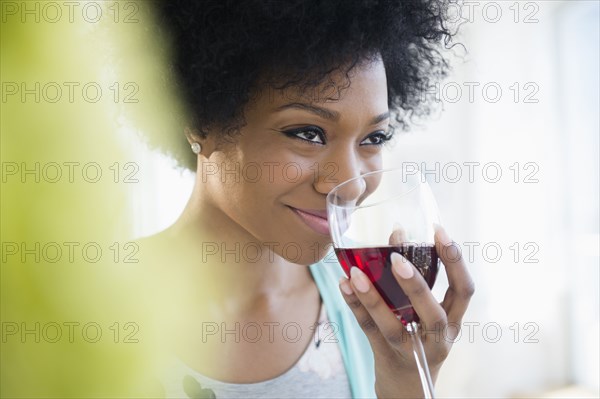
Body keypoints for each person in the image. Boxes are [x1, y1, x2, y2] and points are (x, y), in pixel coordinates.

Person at [140, 1, 475, 397]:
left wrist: (407, 382)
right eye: (307, 133)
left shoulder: (372, 313)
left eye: (374, 138)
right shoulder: (77, 309)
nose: (351, 185)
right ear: (201, 119)